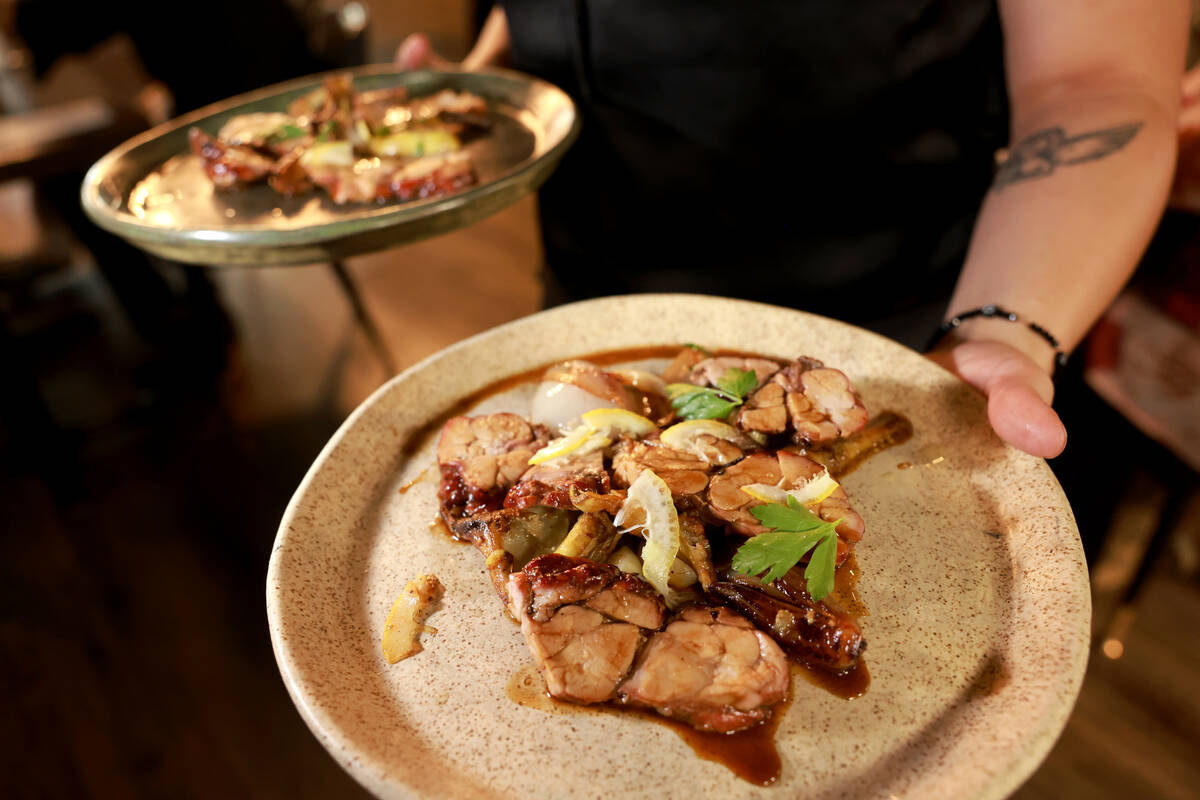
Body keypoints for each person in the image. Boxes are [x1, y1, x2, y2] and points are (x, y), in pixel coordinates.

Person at [398, 2, 1188, 462]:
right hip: (590, 301)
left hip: (890, 347)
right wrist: (486, 87)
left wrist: (1002, 330)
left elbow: (1096, 83)